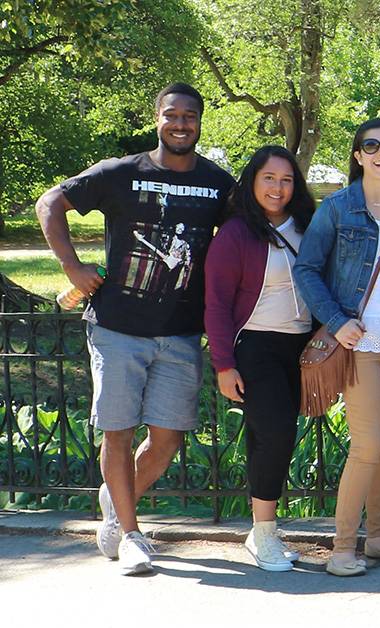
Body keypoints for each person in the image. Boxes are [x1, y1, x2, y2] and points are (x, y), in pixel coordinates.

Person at [36, 83, 235, 575]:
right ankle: (129, 533)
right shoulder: (121, 172)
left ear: (200, 122)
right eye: (172, 115)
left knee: (167, 439)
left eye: (190, 116)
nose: (181, 124)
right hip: (117, 327)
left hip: (182, 332)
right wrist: (71, 267)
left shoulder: (218, 183)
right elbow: (49, 203)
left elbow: (243, 241)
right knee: (118, 432)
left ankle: (114, 499)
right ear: (157, 119)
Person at [293, 117, 380, 577]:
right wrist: (337, 322)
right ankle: (341, 548)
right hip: (361, 343)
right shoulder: (336, 208)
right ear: (358, 156)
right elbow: (307, 270)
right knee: (368, 445)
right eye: (371, 145)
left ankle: (377, 538)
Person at [204, 145, 317, 572]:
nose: (278, 187)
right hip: (255, 345)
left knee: (269, 435)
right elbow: (215, 303)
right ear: (252, 181)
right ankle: (264, 533)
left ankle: (262, 530)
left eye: (286, 180)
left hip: (300, 346)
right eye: (269, 178)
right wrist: (223, 364)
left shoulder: (307, 226)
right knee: (276, 432)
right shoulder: (235, 233)